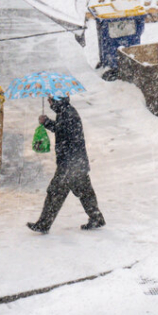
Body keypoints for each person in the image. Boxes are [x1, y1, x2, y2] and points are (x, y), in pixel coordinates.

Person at [28, 96, 104, 233]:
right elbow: (62, 130)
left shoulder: (67, 114)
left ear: (58, 100)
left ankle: (44, 224)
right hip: (76, 162)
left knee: (55, 192)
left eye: (51, 100)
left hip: (69, 164)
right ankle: (96, 218)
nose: (49, 102)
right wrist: (49, 123)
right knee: (85, 192)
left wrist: (46, 122)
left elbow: (62, 131)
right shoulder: (66, 112)